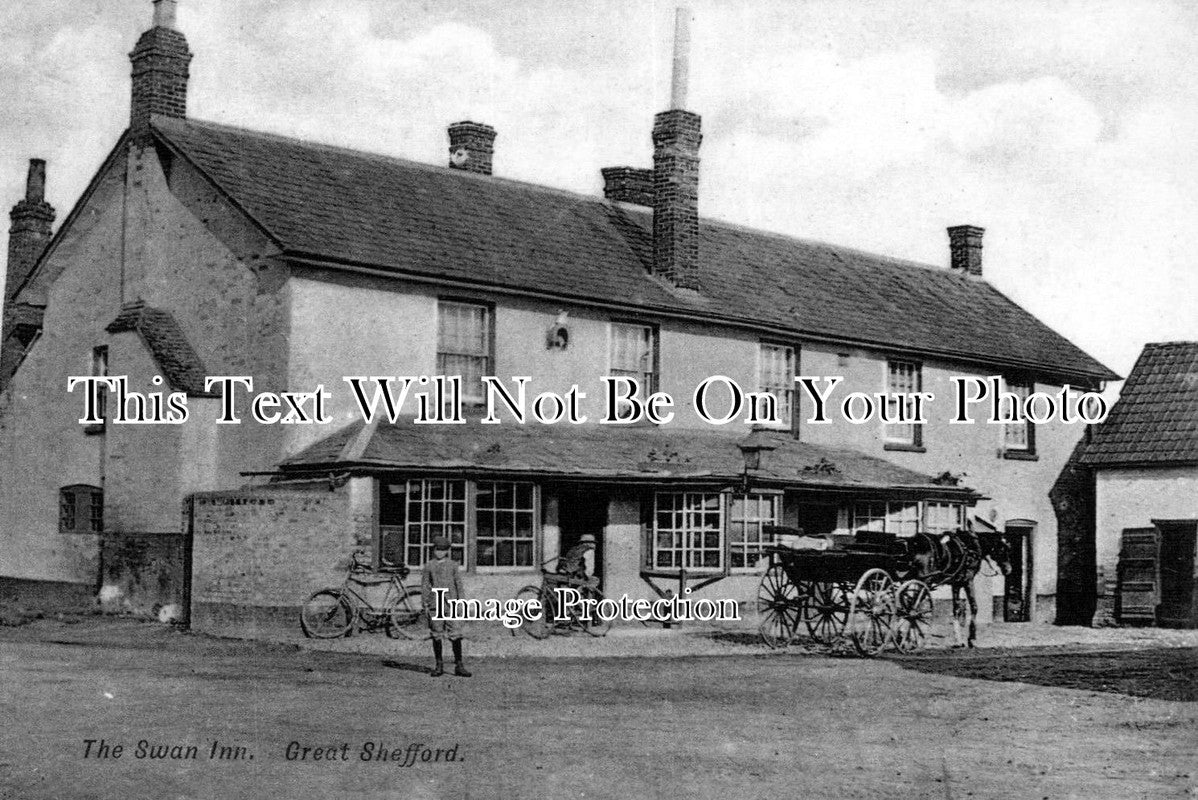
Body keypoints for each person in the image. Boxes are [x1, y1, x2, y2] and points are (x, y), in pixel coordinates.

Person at [421, 535, 471, 677]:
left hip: (451, 604)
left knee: (455, 633)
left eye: (443, 550)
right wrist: (425, 602)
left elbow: (459, 585)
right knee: (437, 634)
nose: (440, 553)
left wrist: (461, 602)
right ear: (433, 550)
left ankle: (459, 665)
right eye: (437, 549)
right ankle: (439, 665)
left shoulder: (453, 565)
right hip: (435, 604)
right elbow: (425, 585)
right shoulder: (429, 566)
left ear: (448, 551)